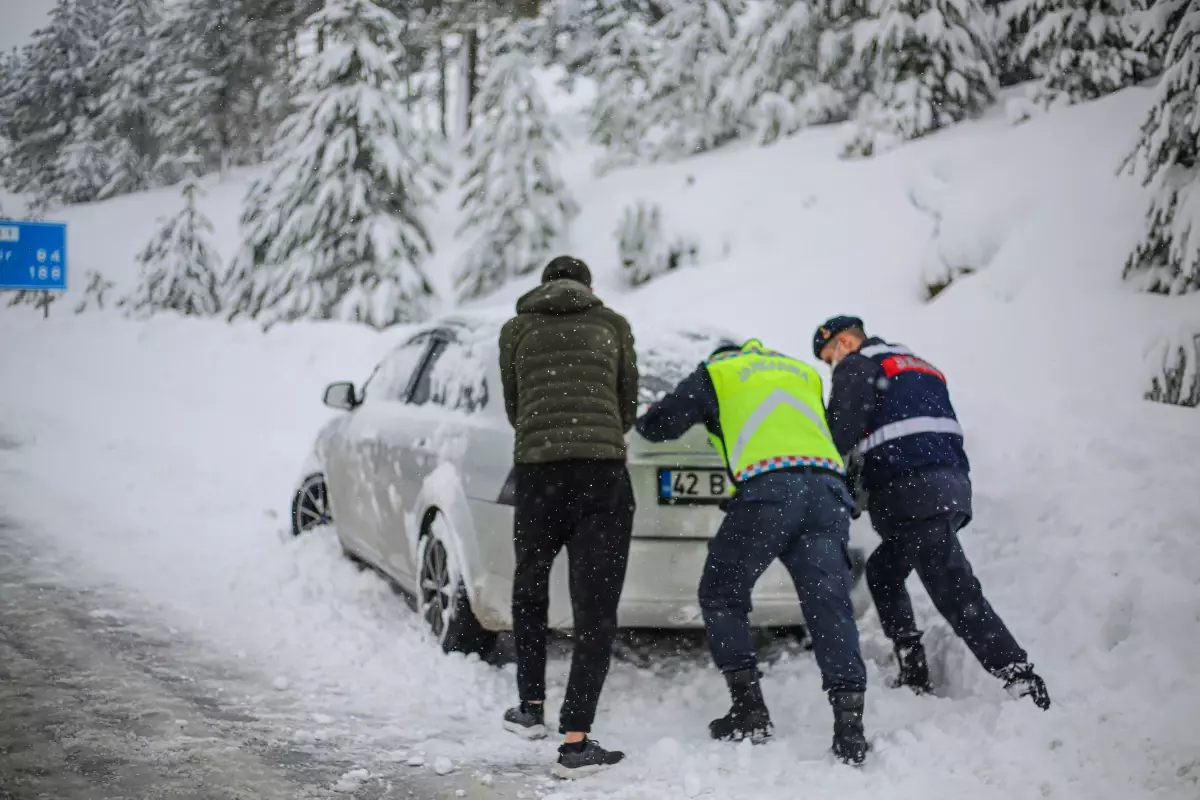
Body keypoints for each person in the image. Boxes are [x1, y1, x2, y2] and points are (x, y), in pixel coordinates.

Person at [636, 338, 870, 766]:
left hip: (770, 491)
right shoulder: (801, 372)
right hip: (827, 490)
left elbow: (657, 426)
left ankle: (749, 710)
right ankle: (850, 729)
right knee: (829, 605)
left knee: (721, 592)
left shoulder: (717, 373)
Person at [813, 315, 1051, 710]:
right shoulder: (915, 363)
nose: (831, 365)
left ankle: (1019, 676)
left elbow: (839, 435)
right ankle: (913, 665)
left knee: (952, 587)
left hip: (909, 489)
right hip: (950, 485)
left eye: (828, 357)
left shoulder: (857, 365)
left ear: (843, 343)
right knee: (884, 573)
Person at [498, 255, 639, 778]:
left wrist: (550, 435)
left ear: (543, 287)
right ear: (589, 286)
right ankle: (576, 743)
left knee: (530, 586)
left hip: (538, 475)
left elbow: (516, 407)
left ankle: (530, 707)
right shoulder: (612, 325)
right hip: (602, 475)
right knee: (595, 609)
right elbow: (627, 404)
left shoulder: (517, 328)